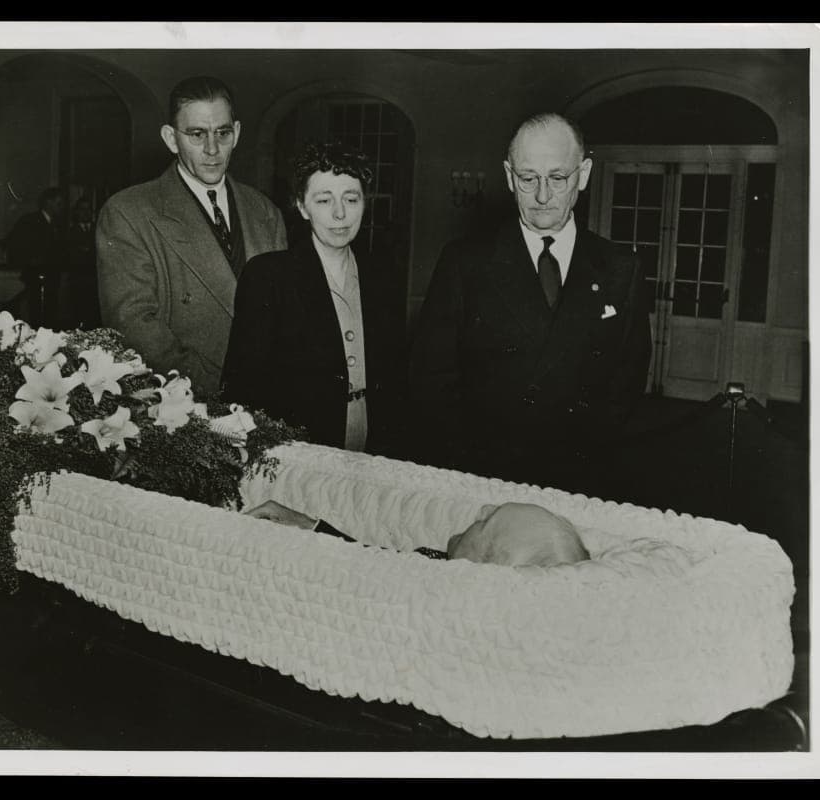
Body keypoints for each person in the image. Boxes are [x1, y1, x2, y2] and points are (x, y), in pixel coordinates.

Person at [407, 112, 652, 492]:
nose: (542, 196)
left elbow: (627, 384)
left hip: (581, 480)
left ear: (583, 175)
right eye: (527, 179)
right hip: (485, 478)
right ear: (508, 177)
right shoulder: (465, 262)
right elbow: (433, 381)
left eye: (557, 178)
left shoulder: (622, 270)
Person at [96, 76, 287, 397]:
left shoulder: (265, 212)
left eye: (222, 133)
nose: (212, 149)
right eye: (197, 134)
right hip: (189, 405)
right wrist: (223, 391)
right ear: (171, 139)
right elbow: (135, 325)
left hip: (268, 401)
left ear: (237, 133)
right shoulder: (129, 212)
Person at [221, 142, 404, 454]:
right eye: (323, 200)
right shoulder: (269, 276)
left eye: (351, 198)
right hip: (298, 450)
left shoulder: (381, 275)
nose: (340, 213)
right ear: (302, 207)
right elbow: (244, 387)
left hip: (373, 444)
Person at [245, 499, 589, 569]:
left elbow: (365, 568)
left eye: (488, 521)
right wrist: (311, 525)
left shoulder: (432, 576)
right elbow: (373, 557)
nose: (482, 510)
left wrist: (310, 528)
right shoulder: (436, 563)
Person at [7, 187, 66, 329]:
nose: (61, 207)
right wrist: (31, 260)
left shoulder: (58, 225)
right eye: (58, 204)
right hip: (36, 278)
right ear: (48, 202)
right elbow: (15, 244)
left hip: (53, 278)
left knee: (50, 316)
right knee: (37, 316)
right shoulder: (30, 221)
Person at [61, 195, 101, 330]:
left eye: (89, 209)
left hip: (96, 282)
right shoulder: (69, 233)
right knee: (77, 315)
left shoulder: (99, 231)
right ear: (76, 212)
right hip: (77, 282)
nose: (86, 212)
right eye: (82, 209)